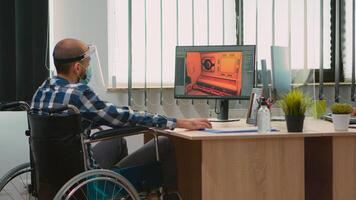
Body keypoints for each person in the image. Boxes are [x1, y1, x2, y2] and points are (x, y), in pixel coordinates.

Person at [31, 38, 212, 198]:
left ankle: (118, 194)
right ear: (77, 67)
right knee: (163, 142)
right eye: (87, 62)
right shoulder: (79, 94)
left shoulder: (41, 91)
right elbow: (124, 117)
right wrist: (177, 122)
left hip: (52, 179)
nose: (89, 67)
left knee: (117, 141)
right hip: (85, 180)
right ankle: (168, 195)